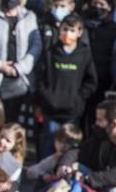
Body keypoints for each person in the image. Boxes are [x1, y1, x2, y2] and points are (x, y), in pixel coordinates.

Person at [34, 14, 97, 158]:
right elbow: (40, 78)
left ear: (80, 33)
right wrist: (47, 96)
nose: (67, 34)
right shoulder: (50, 52)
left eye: (72, 30)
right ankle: (44, 177)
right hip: (51, 109)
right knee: (48, 143)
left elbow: (91, 81)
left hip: (72, 111)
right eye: (64, 29)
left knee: (68, 146)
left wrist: (78, 97)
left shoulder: (84, 53)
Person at [84, 0, 116, 118]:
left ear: (109, 7)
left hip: (101, 81)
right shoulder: (82, 25)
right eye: (95, 3)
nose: (97, 7)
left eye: (102, 4)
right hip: (80, 79)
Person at [21, 122, 82, 192]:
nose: (63, 146)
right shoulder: (54, 158)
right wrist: (43, 176)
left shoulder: (76, 159)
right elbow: (31, 171)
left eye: (68, 144)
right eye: (60, 141)